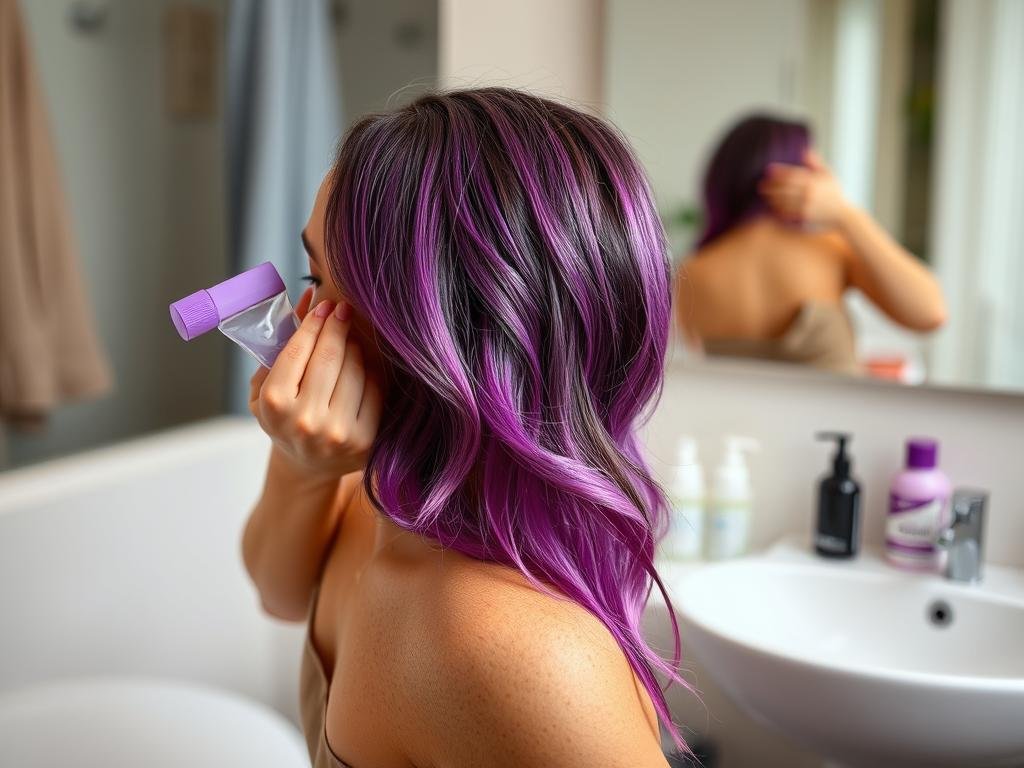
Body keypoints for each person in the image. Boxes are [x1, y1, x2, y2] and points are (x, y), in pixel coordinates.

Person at [241, 88, 690, 768]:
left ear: (443, 339)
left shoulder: (515, 650)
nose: (303, 321)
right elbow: (278, 590)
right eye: (310, 274)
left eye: (328, 287)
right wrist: (300, 463)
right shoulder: (379, 491)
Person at [675, 113, 946, 374]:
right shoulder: (829, 251)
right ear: (800, 174)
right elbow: (930, 313)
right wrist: (844, 212)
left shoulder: (691, 273)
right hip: (838, 420)